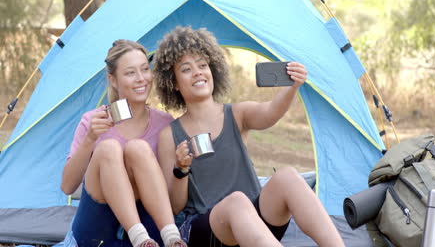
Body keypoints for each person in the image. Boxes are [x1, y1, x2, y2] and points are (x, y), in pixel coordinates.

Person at [154, 26, 345, 247]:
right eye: (186, 69)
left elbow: (270, 112)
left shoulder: (237, 114)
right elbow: (174, 206)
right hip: (209, 230)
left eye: (203, 65)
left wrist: (292, 87)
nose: (198, 72)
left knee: (288, 177)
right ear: (174, 83)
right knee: (236, 202)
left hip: (255, 224)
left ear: (212, 71)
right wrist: (181, 168)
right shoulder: (170, 135)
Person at [61, 40, 187, 247]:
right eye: (130, 73)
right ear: (113, 79)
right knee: (109, 147)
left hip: (151, 225)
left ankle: (172, 237)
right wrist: (90, 139)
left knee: (138, 148)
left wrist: (182, 168)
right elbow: (67, 186)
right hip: (99, 227)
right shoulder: (93, 121)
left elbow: (172, 198)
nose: (141, 79)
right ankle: (138, 236)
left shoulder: (165, 123)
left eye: (145, 69)